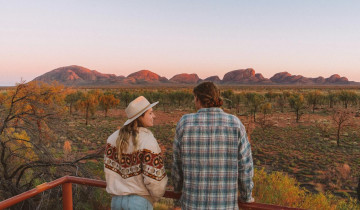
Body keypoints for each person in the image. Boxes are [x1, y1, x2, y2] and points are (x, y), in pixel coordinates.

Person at [172, 82, 254, 209]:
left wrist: (177, 190)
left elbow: (177, 163)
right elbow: (245, 166)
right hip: (225, 205)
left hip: (192, 204)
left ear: (198, 99)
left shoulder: (184, 123)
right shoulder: (235, 123)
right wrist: (246, 196)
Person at [104, 96, 168, 210]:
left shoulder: (112, 138)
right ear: (140, 117)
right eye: (150, 113)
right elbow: (155, 180)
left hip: (116, 201)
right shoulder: (148, 141)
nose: (154, 116)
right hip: (139, 202)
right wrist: (155, 196)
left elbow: (109, 172)